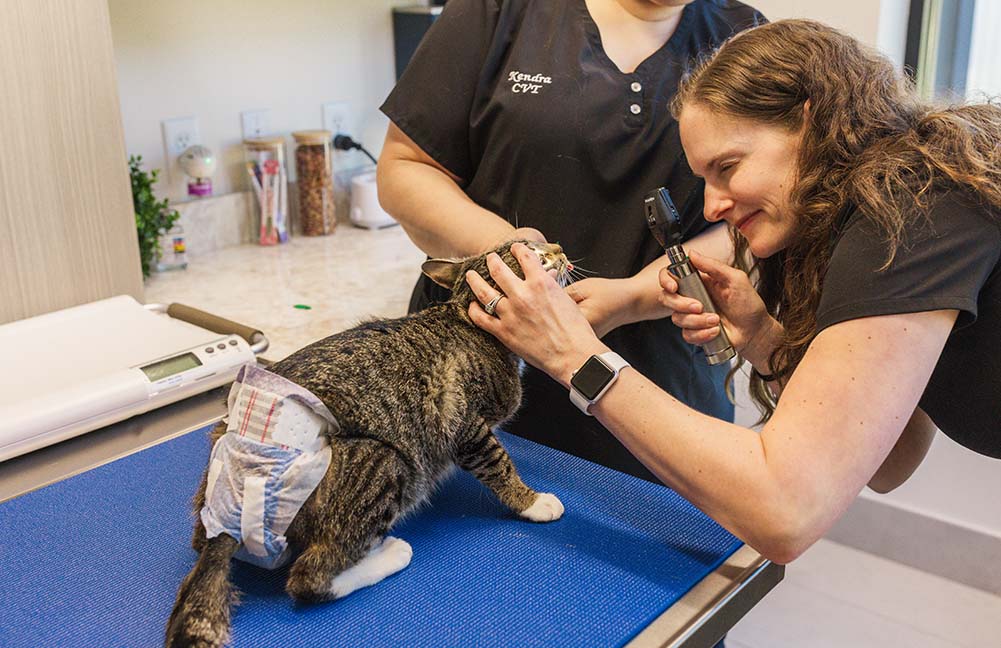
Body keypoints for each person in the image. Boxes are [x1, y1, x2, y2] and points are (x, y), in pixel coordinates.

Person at [463, 19, 1001, 563]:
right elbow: (890, 461)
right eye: (703, 180)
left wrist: (575, 355)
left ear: (810, 121)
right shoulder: (891, 205)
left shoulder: (912, 208)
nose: (714, 206)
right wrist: (765, 339)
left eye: (727, 167)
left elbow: (784, 512)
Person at [378, 0, 765, 482]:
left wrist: (632, 298)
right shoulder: (498, 11)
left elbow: (755, 216)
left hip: (661, 389)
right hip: (472, 371)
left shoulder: (743, 35)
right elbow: (406, 169)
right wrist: (515, 257)